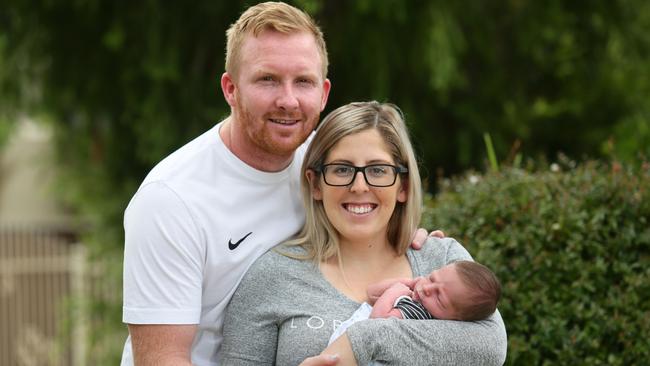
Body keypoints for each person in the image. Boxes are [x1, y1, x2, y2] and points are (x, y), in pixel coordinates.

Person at [120, 3, 435, 366]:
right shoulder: (172, 200)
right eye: (267, 79)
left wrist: (408, 242)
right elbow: (162, 360)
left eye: (303, 81)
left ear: (324, 93)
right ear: (230, 89)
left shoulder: (327, 166)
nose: (288, 100)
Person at [220, 101, 507, 365]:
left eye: (378, 170)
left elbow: (491, 348)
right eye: (342, 169)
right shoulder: (273, 275)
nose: (359, 186)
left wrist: (363, 339)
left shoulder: (442, 260)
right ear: (316, 184)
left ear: (403, 186)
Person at [327, 260, 501, 353]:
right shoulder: (419, 296)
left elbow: (377, 323)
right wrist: (407, 283)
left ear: (455, 319)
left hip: (352, 345)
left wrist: (395, 291)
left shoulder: (418, 314)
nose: (427, 289)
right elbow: (371, 292)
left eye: (439, 296)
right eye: (432, 278)